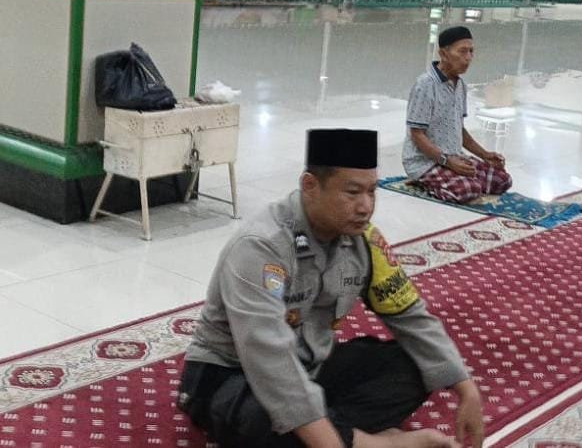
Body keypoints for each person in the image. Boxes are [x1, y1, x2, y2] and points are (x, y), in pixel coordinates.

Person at [178, 129, 482, 448]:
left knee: (417, 361)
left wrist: (466, 389)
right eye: (352, 192)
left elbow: (409, 315)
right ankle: (374, 443)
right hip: (233, 375)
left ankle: (329, 429)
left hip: (310, 367)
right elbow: (268, 358)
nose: (365, 207)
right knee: (262, 417)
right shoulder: (262, 246)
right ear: (310, 186)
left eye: (372, 192)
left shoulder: (364, 240)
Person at [404, 26, 512, 204]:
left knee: (502, 180)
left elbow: (459, 129)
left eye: (471, 51)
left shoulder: (460, 86)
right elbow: (417, 134)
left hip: (454, 156)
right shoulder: (425, 85)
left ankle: (450, 179)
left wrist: (485, 155)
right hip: (425, 162)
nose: (468, 57)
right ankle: (423, 181)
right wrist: (447, 161)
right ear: (443, 54)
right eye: (462, 51)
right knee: (469, 189)